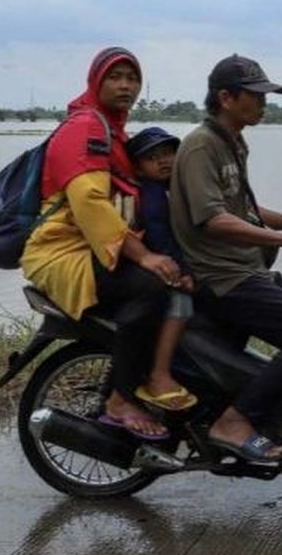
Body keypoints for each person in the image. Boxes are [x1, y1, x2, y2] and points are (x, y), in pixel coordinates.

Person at [169, 54, 282, 463]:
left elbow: (246, 210)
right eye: (256, 95)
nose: (264, 104)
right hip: (220, 277)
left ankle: (276, 411)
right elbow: (214, 220)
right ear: (226, 98)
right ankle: (235, 421)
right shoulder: (200, 146)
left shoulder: (232, 142)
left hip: (246, 269)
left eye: (266, 96)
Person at [21, 47, 183, 440]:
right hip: (63, 252)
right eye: (116, 76)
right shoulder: (87, 128)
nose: (126, 85)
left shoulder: (112, 130)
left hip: (90, 247)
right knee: (152, 287)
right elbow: (89, 201)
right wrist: (143, 255)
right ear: (96, 81)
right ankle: (120, 397)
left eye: (133, 78)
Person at [125, 126, 198, 412]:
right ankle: (160, 372)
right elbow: (160, 239)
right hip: (158, 266)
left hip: (162, 262)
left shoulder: (172, 190)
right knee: (181, 305)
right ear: (139, 169)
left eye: (169, 153)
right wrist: (183, 271)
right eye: (153, 157)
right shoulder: (153, 194)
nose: (164, 161)